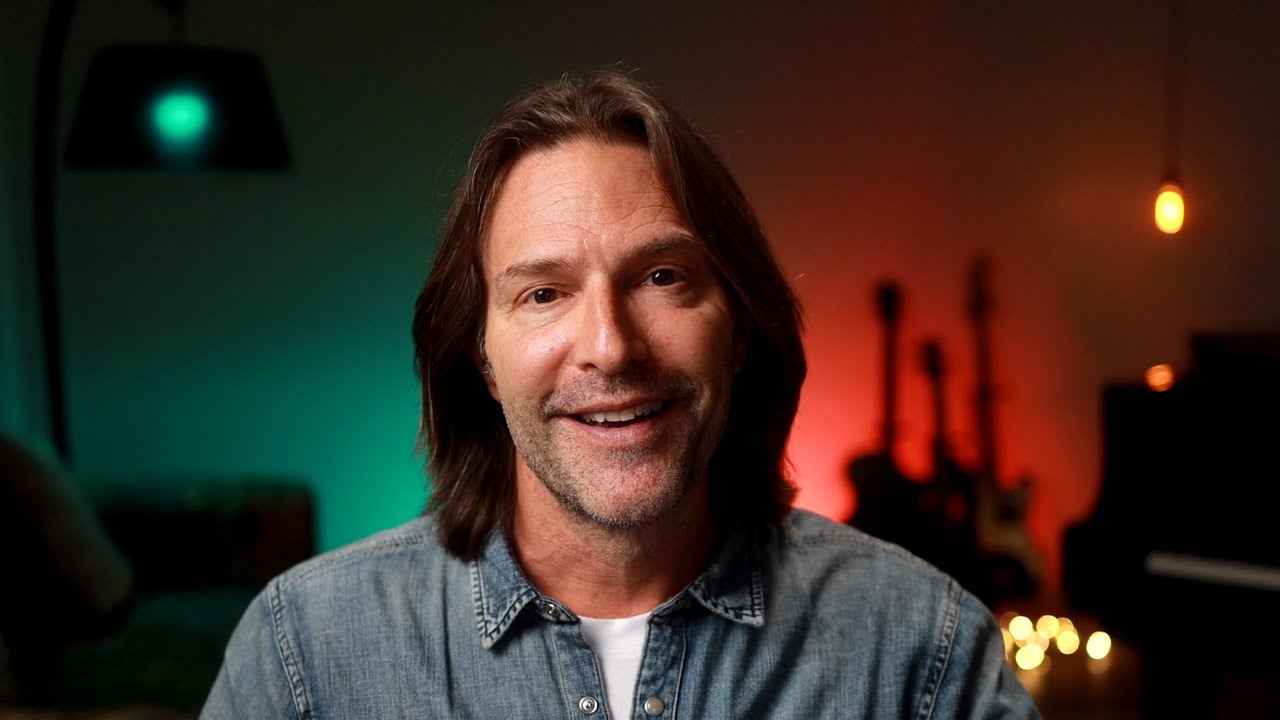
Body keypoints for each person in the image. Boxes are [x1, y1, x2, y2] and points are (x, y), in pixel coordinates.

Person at [200, 68, 1042, 719]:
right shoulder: (305, 652)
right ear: (481, 361)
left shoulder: (919, 652)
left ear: (740, 325)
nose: (610, 346)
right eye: (543, 293)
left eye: (662, 277)